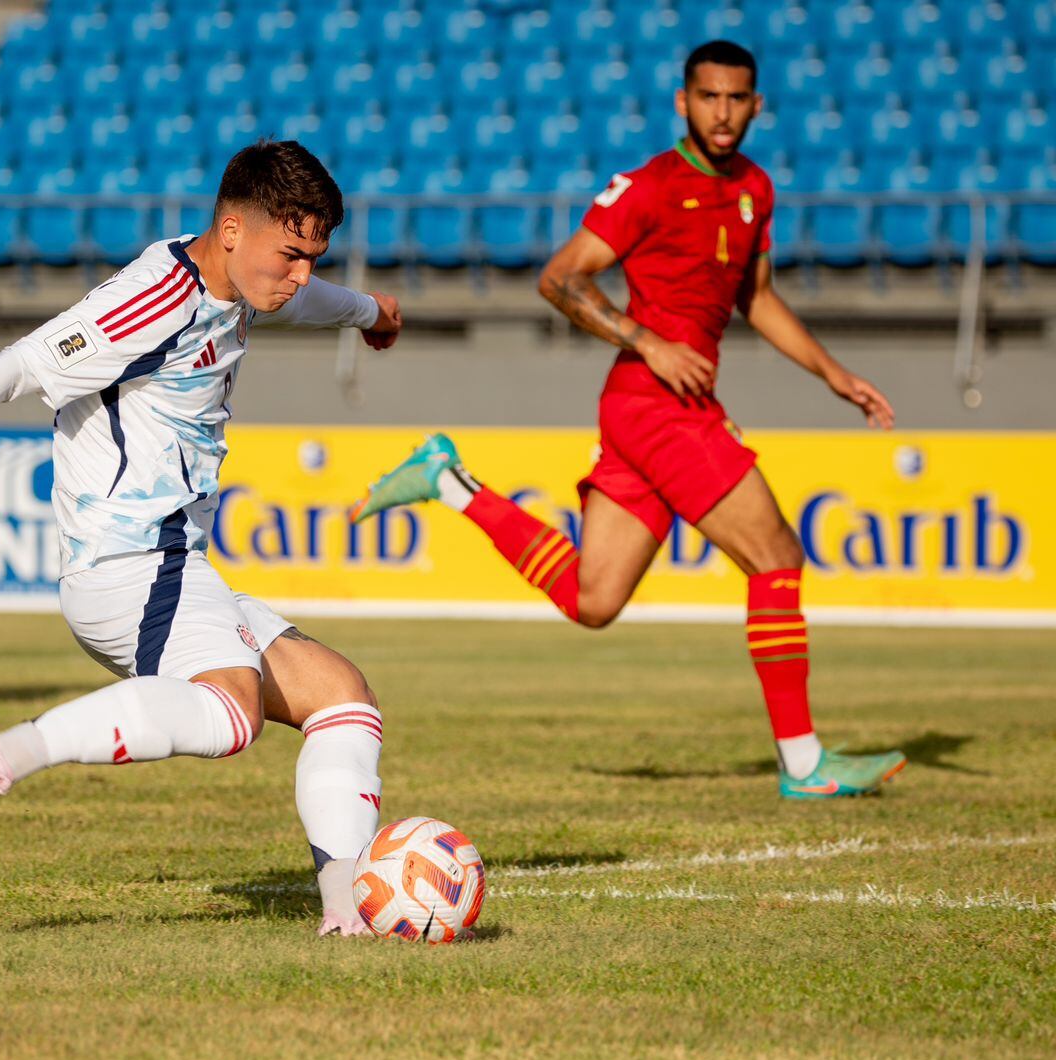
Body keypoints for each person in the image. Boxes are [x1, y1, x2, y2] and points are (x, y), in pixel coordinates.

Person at [0, 140, 404, 936]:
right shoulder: (151, 300)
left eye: (314, 258)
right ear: (233, 229)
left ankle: (347, 916)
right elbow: (14, 367)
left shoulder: (242, 285)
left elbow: (310, 301)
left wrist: (371, 313)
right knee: (231, 715)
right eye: (292, 254)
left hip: (174, 566)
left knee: (341, 697)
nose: (301, 273)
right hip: (126, 566)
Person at [350, 40, 906, 800]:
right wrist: (649, 339)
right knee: (776, 557)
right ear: (683, 101)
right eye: (708, 97)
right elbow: (560, 278)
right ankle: (804, 765)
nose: (722, 112)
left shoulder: (754, 190)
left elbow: (758, 299)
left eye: (736, 99)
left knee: (594, 599)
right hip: (658, 403)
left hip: (656, 409)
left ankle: (450, 484)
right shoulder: (649, 187)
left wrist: (836, 375)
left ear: (756, 105)